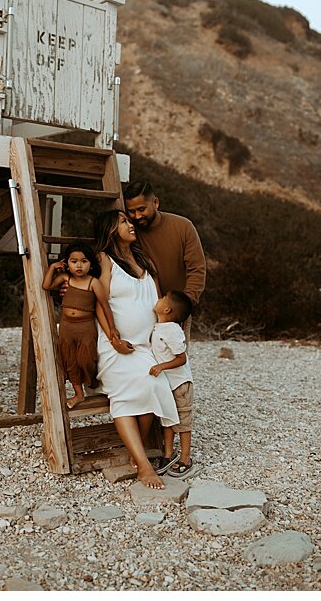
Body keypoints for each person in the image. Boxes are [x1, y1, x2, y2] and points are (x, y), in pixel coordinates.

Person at [91, 209, 179, 490]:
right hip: (115, 347)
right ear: (109, 229)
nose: (131, 224)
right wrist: (113, 337)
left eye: (129, 220)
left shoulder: (144, 261)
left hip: (144, 349)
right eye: (123, 221)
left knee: (155, 386)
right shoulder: (105, 260)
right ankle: (143, 465)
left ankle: (136, 451)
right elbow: (99, 303)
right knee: (137, 388)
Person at [123, 182, 206, 314]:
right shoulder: (128, 232)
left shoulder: (183, 227)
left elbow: (196, 269)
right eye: (132, 211)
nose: (137, 216)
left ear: (155, 203)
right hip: (141, 310)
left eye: (141, 209)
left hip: (178, 311)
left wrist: (185, 304)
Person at [41, 243, 103, 409]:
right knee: (70, 360)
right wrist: (53, 267)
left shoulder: (93, 282)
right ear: (67, 263)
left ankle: (93, 381)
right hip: (67, 326)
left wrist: (111, 329)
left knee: (86, 359)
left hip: (86, 326)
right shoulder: (65, 279)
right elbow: (46, 286)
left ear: (90, 264)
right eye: (74, 261)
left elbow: (105, 305)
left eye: (83, 261)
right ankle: (78, 394)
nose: (79, 265)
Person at [149, 291, 197, 478]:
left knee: (183, 422)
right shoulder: (160, 326)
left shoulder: (172, 330)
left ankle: (186, 458)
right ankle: (168, 454)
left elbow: (181, 358)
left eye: (162, 299)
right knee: (168, 419)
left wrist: (161, 366)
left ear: (167, 309)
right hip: (167, 383)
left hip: (180, 384)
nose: (158, 299)